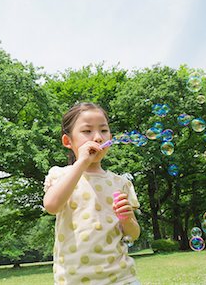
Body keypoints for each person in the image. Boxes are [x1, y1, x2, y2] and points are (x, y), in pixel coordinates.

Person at [43, 102, 141, 285]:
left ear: (110, 137)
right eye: (87, 131)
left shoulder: (120, 183)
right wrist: (81, 163)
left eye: (103, 131)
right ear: (68, 141)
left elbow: (133, 234)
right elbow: (51, 205)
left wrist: (127, 219)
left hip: (122, 278)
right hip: (74, 279)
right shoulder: (61, 175)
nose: (97, 137)